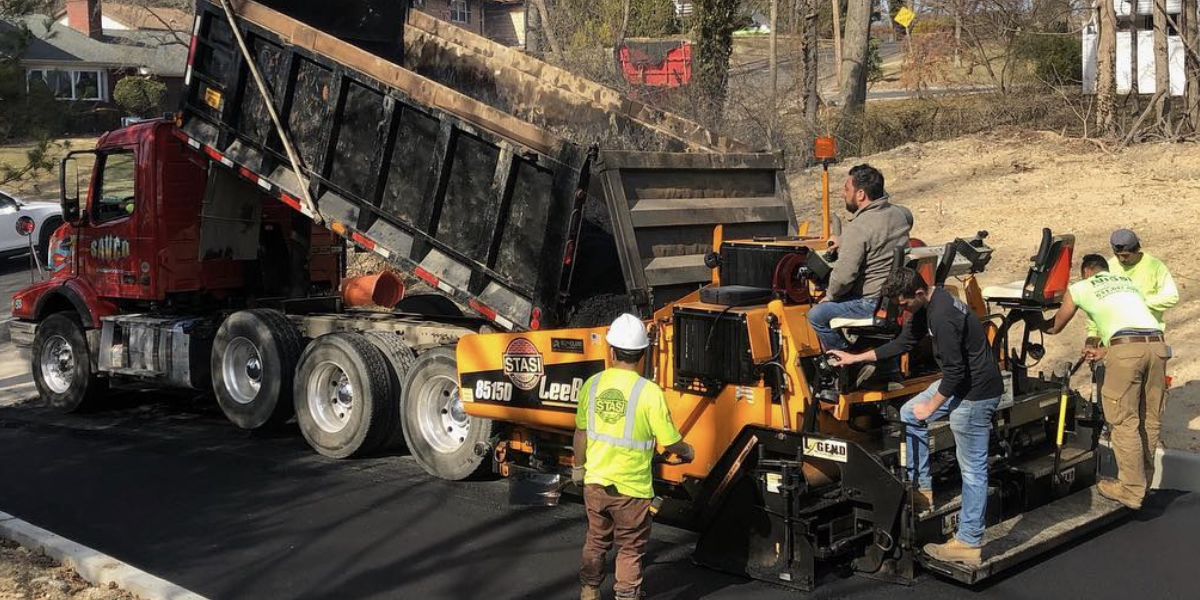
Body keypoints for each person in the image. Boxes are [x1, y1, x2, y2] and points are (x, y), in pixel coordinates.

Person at [829, 267, 1002, 565]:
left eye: (905, 304)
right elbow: (902, 343)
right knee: (910, 412)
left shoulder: (944, 316)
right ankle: (922, 490)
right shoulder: (929, 304)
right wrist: (855, 357)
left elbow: (954, 373)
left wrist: (932, 406)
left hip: (976, 393)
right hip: (964, 383)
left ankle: (969, 543)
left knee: (972, 470)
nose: (903, 309)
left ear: (919, 293)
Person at [573, 314, 695, 600]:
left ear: (612, 351)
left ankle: (589, 591)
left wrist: (578, 468)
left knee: (596, 539)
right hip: (633, 491)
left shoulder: (592, 385)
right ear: (642, 354)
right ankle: (626, 595)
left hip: (596, 484)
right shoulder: (649, 392)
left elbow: (581, 433)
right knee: (629, 548)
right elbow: (670, 441)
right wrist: (688, 452)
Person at [1038, 254, 1168, 510]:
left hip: (1127, 350)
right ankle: (1143, 481)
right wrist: (1106, 352)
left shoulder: (1081, 287)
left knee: (1123, 421)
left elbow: (1054, 327)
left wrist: (1031, 317)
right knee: (1148, 418)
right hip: (1158, 346)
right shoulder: (1126, 282)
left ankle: (1130, 490)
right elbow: (1134, 330)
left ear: (1086, 272)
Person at [809, 164, 912, 353]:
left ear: (861, 194)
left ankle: (848, 360)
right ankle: (884, 367)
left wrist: (829, 296)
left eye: (847, 189)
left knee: (817, 314)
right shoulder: (899, 215)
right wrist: (845, 242)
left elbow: (843, 279)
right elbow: (879, 239)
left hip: (871, 302)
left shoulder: (858, 228)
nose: (843, 194)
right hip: (895, 297)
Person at [1083, 229, 1179, 345]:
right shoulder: (1108, 267)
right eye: (1117, 255)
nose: (1122, 259)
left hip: (1149, 335)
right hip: (1116, 338)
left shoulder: (1154, 266)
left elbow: (1171, 296)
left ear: (1136, 249)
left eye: (1125, 255)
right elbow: (1097, 302)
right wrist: (1092, 334)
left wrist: (1140, 303)